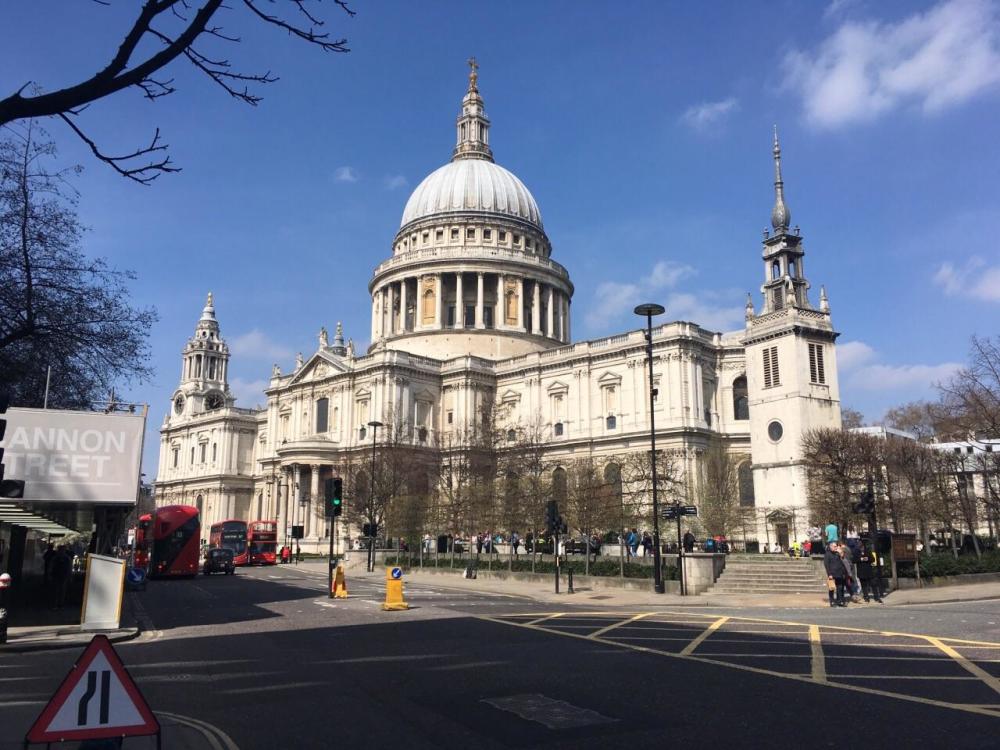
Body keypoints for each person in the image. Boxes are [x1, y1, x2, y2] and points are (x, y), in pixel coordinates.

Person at [824, 541, 847, 607]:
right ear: (830, 547)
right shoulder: (827, 554)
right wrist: (829, 574)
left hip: (839, 573)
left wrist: (840, 552)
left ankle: (839, 601)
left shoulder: (837, 553)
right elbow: (826, 565)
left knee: (839, 588)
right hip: (832, 574)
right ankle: (832, 601)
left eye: (836, 546)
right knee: (832, 588)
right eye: (834, 546)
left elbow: (843, 558)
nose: (836, 547)